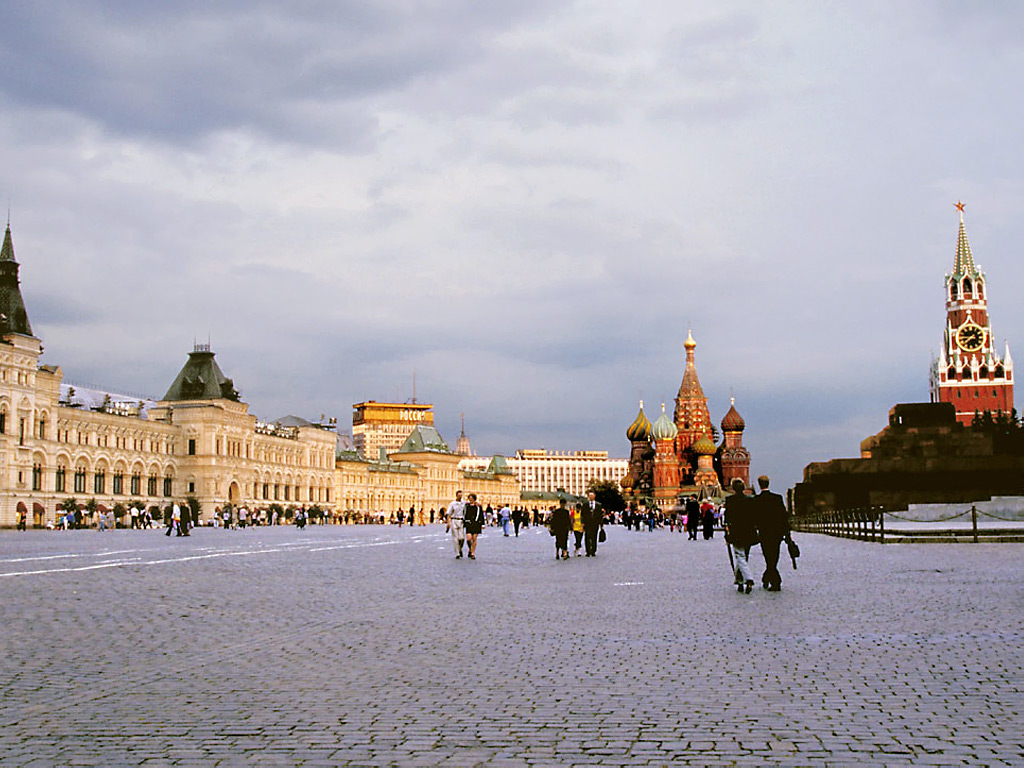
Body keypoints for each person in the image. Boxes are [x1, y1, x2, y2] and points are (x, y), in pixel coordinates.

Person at [754, 475, 791, 591]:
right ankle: (770, 579)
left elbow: (755, 518)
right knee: (774, 556)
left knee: (768, 557)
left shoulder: (756, 500)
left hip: (764, 532)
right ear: (768, 483)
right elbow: (783, 516)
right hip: (776, 532)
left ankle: (773, 581)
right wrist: (787, 532)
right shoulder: (777, 498)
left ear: (759, 484)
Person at [724, 478, 757, 593]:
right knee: (743, 556)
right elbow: (754, 517)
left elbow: (727, 517)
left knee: (740, 556)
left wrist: (727, 530)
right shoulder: (750, 500)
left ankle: (748, 578)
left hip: (736, 532)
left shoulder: (730, 500)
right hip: (748, 532)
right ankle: (739, 581)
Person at [463, 493, 485, 560]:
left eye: (471, 498)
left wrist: (483, 524)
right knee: (469, 539)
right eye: (469, 498)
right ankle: (470, 549)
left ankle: (473, 553)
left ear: (474, 499)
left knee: (474, 538)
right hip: (468, 523)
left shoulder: (478, 506)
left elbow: (481, 515)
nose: (470, 500)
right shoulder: (466, 506)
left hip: (476, 523)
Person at [446, 490, 467, 558]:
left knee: (461, 538)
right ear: (456, 496)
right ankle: (457, 553)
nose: (460, 497)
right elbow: (449, 514)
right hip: (454, 520)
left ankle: (460, 548)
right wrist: (448, 523)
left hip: (461, 521)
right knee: (455, 538)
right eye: (459, 495)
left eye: (461, 495)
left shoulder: (464, 503)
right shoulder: (452, 504)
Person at [582, 490, 604, 557]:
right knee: (587, 537)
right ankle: (588, 551)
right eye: (590, 496)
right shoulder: (585, 504)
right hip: (587, 523)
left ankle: (593, 550)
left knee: (594, 537)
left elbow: (600, 515)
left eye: (592, 495)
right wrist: (582, 522)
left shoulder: (598, 505)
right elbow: (582, 514)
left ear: (594, 496)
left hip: (595, 523)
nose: (591, 497)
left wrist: (601, 524)